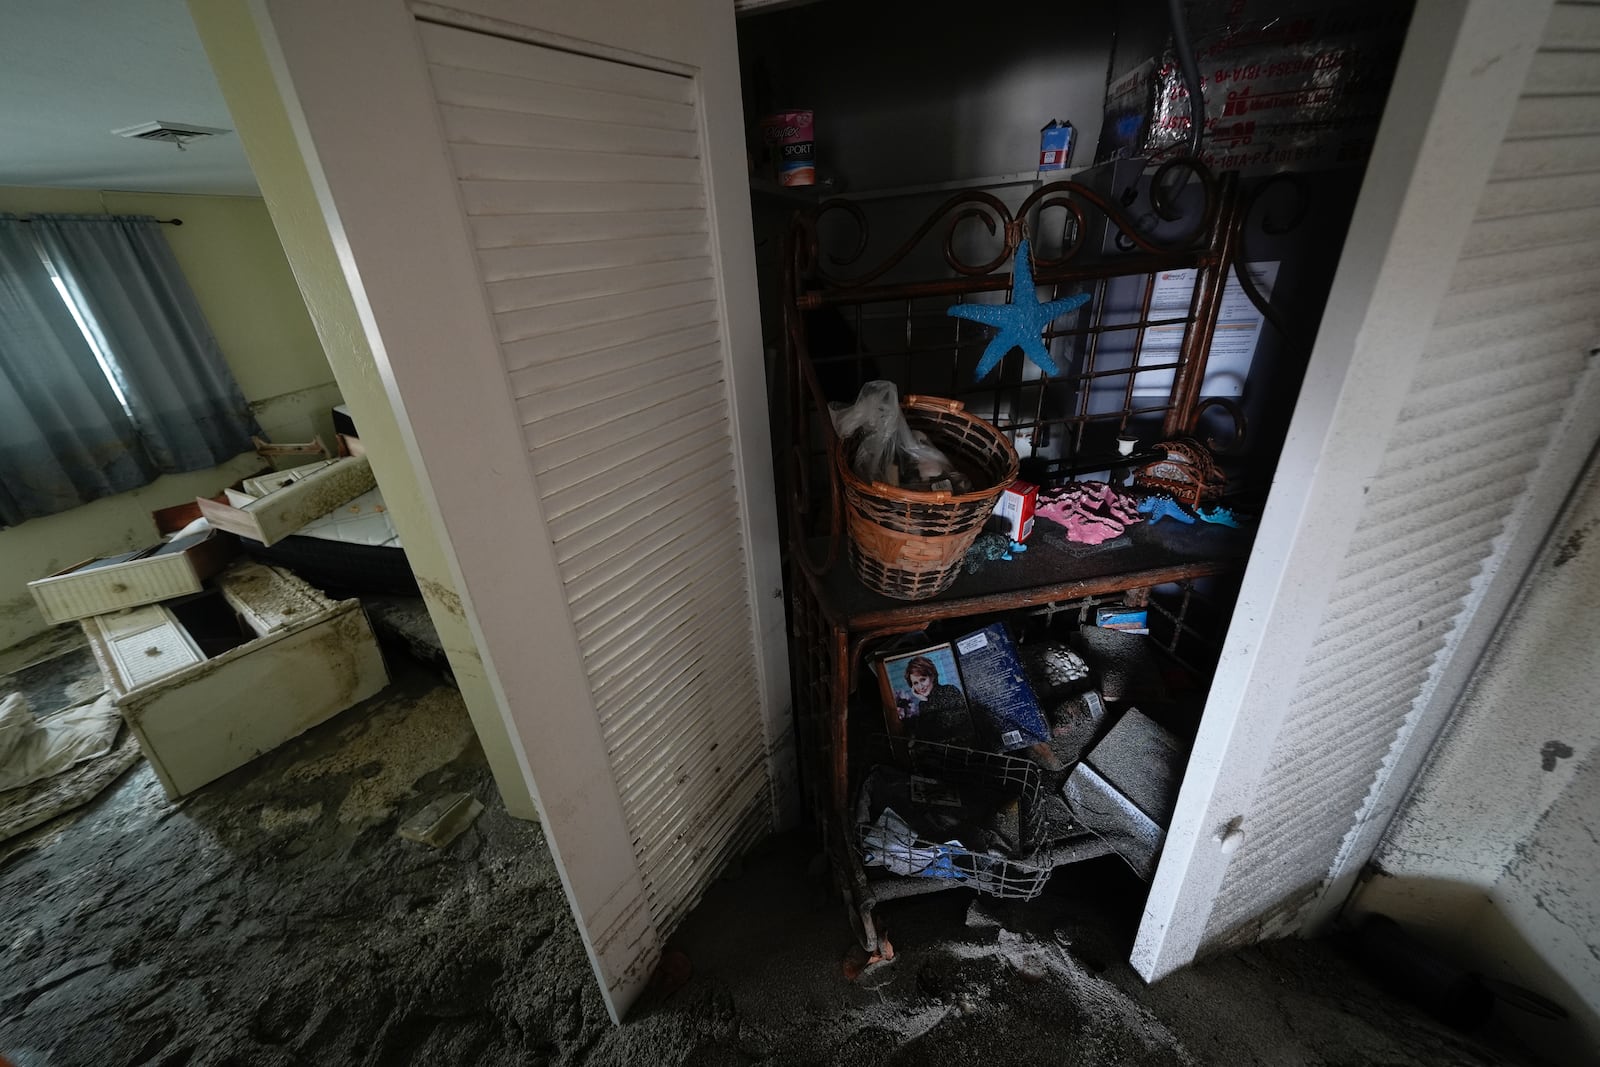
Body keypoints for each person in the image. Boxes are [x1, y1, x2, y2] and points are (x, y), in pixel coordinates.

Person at [902, 655, 971, 742]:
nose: (920, 686)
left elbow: (948, 725)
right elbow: (927, 735)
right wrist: (924, 701)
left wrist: (926, 703)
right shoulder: (923, 703)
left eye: (923, 680)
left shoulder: (948, 690)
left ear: (932, 676)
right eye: (915, 683)